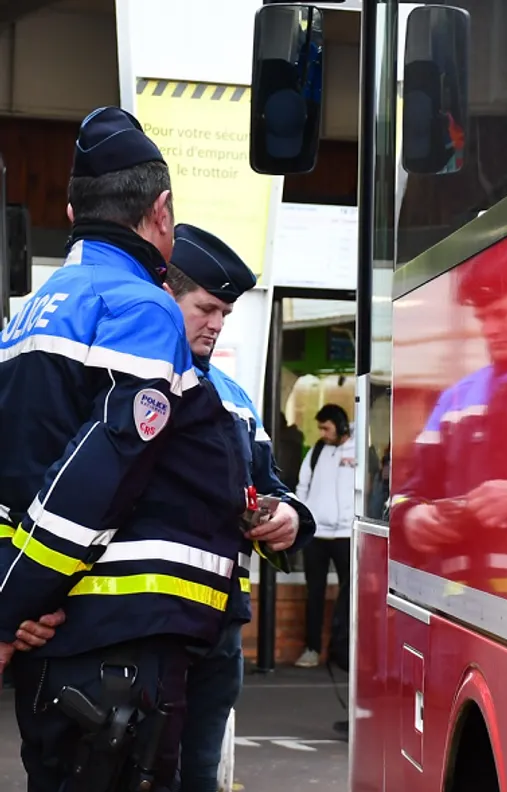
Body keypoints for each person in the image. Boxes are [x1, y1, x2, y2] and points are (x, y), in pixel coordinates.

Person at [0, 107, 254, 791]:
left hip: (56, 647)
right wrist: (9, 607)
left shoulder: (32, 312)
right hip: (118, 651)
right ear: (161, 211)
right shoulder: (140, 307)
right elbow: (97, 476)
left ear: (72, 211)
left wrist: (12, 597)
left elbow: (15, 475)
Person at [162, 223, 316, 792]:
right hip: (148, 628)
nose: (217, 324)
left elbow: (270, 485)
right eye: (206, 309)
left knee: (200, 775)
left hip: (220, 630)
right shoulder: (131, 381)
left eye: (225, 313)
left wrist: (290, 518)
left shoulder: (234, 397)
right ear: (166, 296)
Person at [293, 404, 355, 669]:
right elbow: (302, 486)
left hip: (346, 535)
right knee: (314, 593)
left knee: (350, 594)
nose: (322, 433)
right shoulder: (317, 451)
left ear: (340, 426)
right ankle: (312, 648)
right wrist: (304, 519)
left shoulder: (359, 450)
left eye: (326, 428)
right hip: (317, 535)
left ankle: (344, 651)